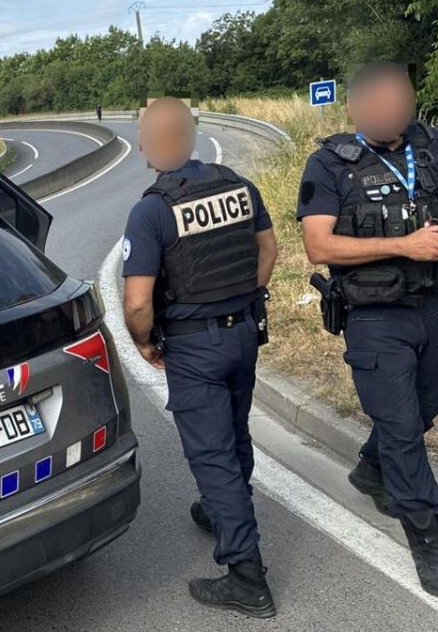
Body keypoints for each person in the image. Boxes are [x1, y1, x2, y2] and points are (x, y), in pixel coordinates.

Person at [297, 60, 438, 597]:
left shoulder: (431, 145)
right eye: (383, 104)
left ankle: (370, 469)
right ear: (355, 108)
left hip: (431, 304)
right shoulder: (329, 164)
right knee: (404, 430)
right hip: (373, 315)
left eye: (402, 101)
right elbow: (319, 245)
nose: (396, 112)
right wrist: (404, 245)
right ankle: (427, 540)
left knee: (428, 406)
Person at [122, 97, 279, 617]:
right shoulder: (237, 185)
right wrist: (243, 298)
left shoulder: (151, 210)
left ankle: (245, 576)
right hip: (243, 335)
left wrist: (143, 343)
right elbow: (269, 250)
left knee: (212, 456)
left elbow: (139, 301)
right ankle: (219, 511)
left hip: (193, 346)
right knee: (235, 433)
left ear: (149, 145)